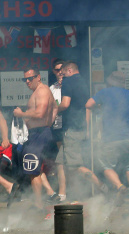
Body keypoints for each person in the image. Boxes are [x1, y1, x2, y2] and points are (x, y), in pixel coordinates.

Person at [86, 71, 129, 204]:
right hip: (127, 136)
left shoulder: (104, 93)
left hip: (110, 137)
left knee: (107, 166)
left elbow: (88, 104)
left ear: (111, 81)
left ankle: (119, 186)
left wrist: (98, 110)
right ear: (123, 82)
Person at [58, 61, 106, 198]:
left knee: (75, 166)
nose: (61, 76)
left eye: (62, 73)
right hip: (80, 128)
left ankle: (101, 185)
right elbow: (87, 108)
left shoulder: (68, 82)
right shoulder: (84, 83)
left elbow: (65, 104)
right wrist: (87, 129)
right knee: (60, 163)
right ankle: (62, 195)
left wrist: (54, 109)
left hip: (71, 130)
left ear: (69, 71)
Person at [13, 66, 58, 210]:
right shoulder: (40, 91)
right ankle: (46, 196)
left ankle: (39, 205)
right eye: (25, 79)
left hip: (39, 134)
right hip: (37, 134)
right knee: (34, 169)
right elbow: (55, 109)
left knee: (32, 169)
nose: (27, 81)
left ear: (38, 77)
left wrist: (21, 115)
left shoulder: (42, 91)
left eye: (30, 78)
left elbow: (40, 113)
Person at [49, 60, 67, 202]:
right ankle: (63, 191)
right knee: (60, 160)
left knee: (66, 161)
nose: (60, 72)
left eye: (61, 69)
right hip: (56, 127)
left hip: (70, 126)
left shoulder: (71, 84)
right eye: (56, 70)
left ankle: (63, 192)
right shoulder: (52, 88)